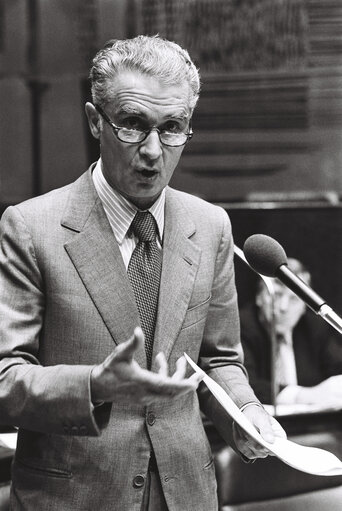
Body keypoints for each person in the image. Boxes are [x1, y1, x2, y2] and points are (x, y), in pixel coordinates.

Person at [0, 35, 285, 511]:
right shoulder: (32, 228)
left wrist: (248, 414)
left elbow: (218, 361)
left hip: (187, 494)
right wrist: (94, 384)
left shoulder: (209, 224)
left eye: (172, 127)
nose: (153, 150)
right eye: (133, 124)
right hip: (75, 496)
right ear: (95, 120)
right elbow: (6, 379)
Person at [240, 257, 342, 405]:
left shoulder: (316, 327)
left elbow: (337, 368)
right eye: (277, 295)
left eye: (294, 299)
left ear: (304, 307)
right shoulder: (239, 326)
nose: (283, 307)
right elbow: (243, 384)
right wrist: (305, 396)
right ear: (259, 297)